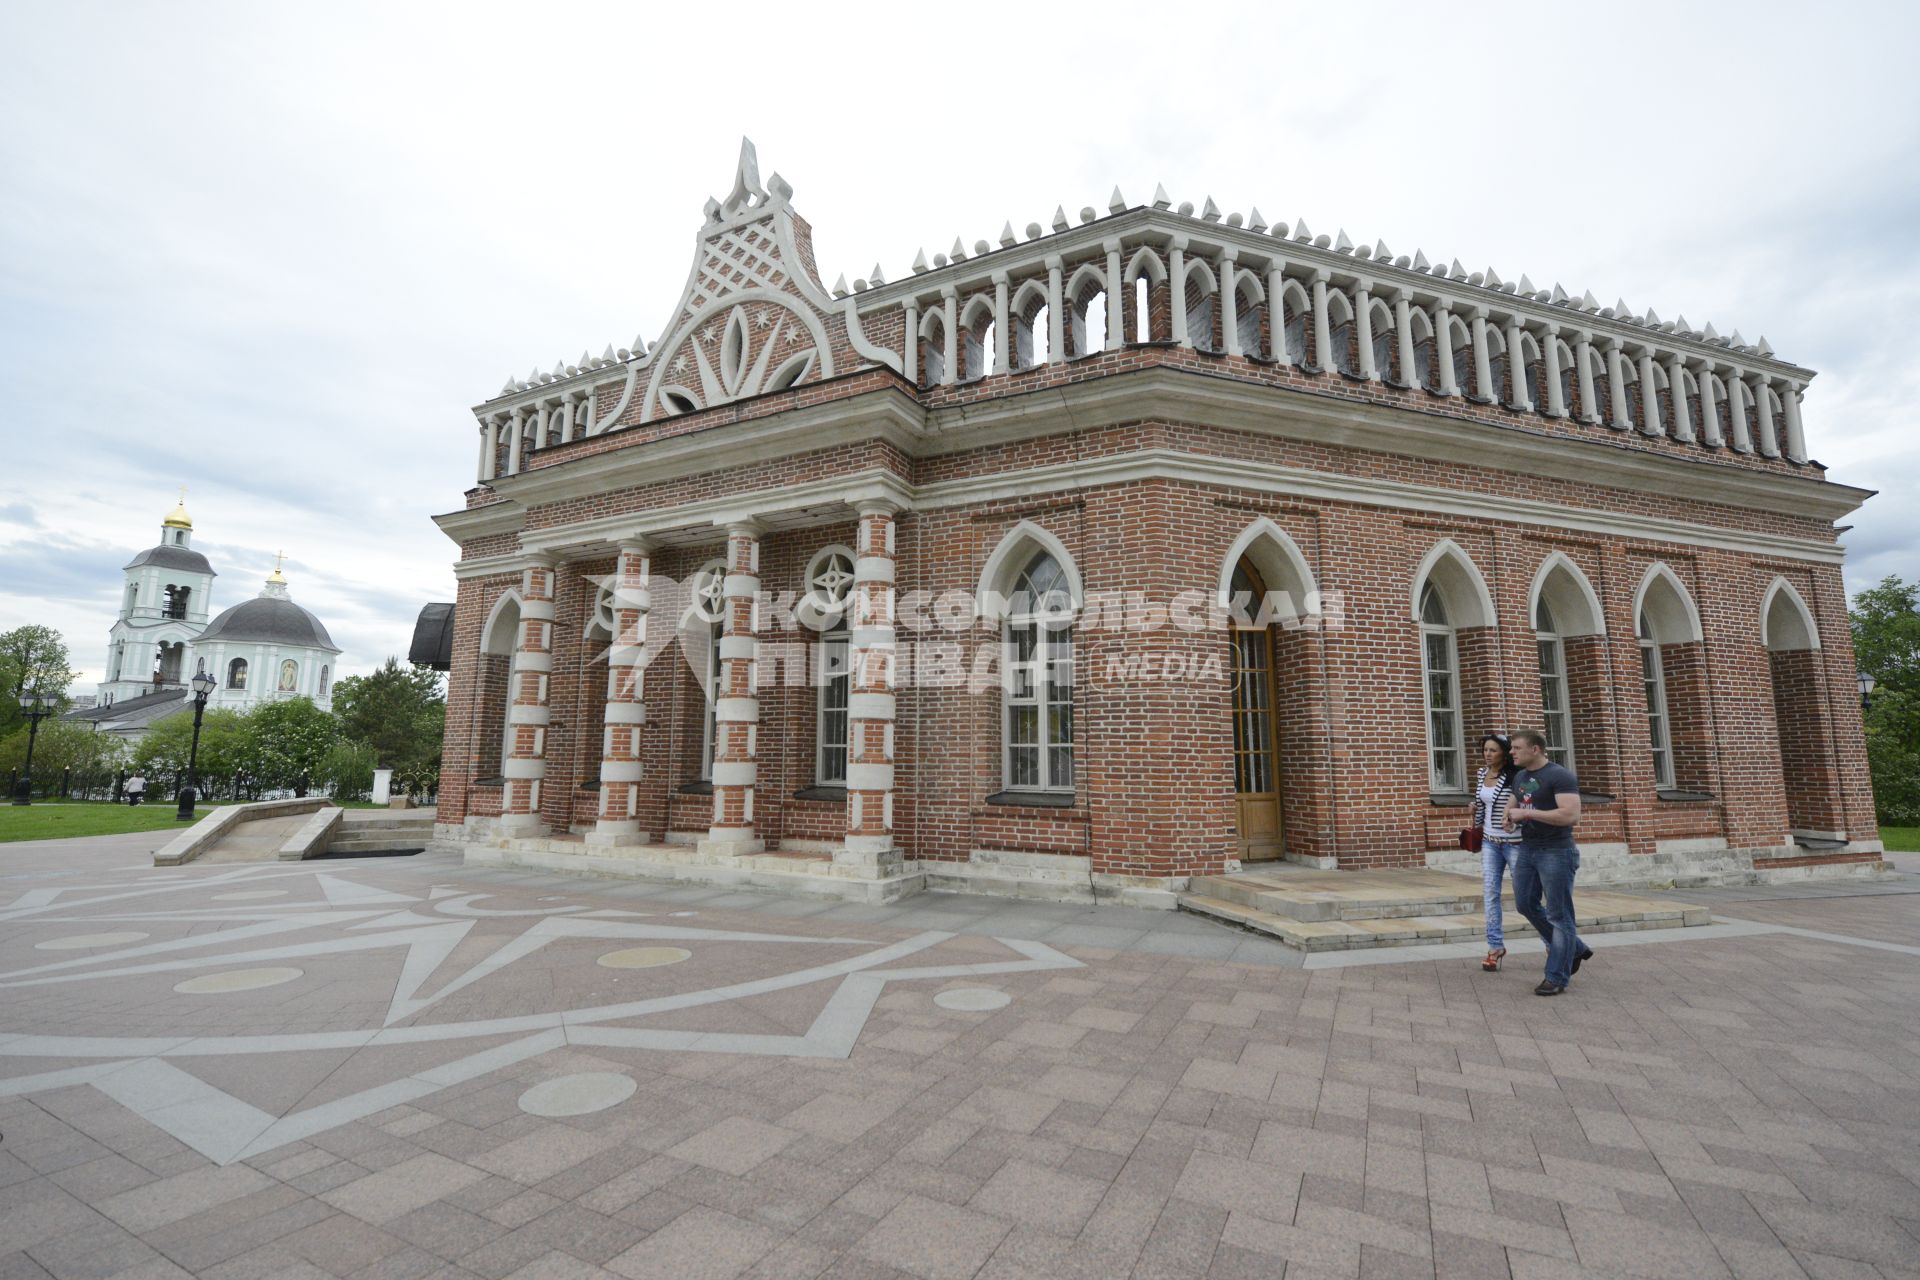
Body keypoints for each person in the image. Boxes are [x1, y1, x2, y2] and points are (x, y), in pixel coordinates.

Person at [1503, 728, 1593, 996]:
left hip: (1556, 851)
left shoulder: (1559, 775)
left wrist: (1527, 815)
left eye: (1516, 748)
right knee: (1525, 904)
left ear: (1535, 749)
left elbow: (1570, 815)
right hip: (1528, 849)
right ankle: (1573, 947)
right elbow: (1516, 798)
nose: (1512, 752)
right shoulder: (1521, 775)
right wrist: (1509, 816)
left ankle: (1556, 976)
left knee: (1558, 914)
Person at [1472, 734, 1520, 972]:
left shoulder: (1517, 776)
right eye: (1485, 750)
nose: (1487, 754)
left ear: (1505, 753)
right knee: (1490, 892)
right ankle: (1495, 946)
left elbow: (1527, 803)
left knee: (1527, 896)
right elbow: (1481, 803)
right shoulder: (1482, 774)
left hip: (1515, 843)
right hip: (1490, 842)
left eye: (1493, 750)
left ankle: (1550, 941)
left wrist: (1514, 820)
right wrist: (1475, 813)